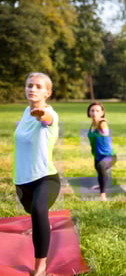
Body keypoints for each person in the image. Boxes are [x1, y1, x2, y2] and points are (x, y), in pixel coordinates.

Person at [14, 72, 61, 276]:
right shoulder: (26, 111)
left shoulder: (49, 114)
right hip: (23, 180)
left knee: (39, 210)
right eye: (29, 85)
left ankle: (40, 267)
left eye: (38, 86)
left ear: (47, 93)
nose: (32, 89)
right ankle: (41, 224)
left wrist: (42, 113)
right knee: (31, 211)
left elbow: (47, 119)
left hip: (46, 178)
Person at [87, 102, 116, 201]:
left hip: (109, 156)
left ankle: (103, 195)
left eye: (97, 111)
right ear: (89, 113)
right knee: (99, 169)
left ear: (102, 113)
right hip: (97, 155)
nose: (94, 113)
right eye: (92, 110)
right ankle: (100, 185)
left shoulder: (102, 123)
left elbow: (103, 126)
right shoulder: (92, 125)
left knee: (101, 167)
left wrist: (102, 122)